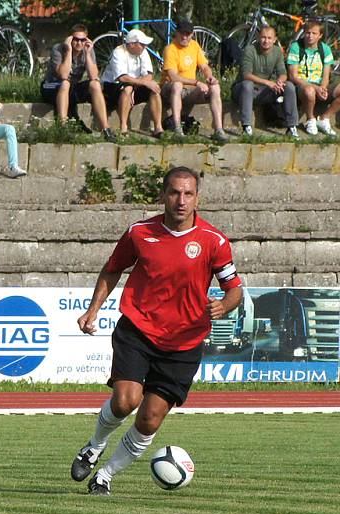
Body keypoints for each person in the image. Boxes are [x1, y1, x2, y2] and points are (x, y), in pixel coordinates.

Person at [71, 166, 243, 496]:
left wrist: (225, 304)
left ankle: (105, 475)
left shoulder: (214, 241)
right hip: (138, 329)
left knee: (149, 419)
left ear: (197, 198)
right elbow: (112, 269)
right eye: (175, 193)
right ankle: (93, 447)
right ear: (163, 195)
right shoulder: (139, 232)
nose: (181, 200)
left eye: (188, 193)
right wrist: (93, 309)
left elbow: (234, 288)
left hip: (184, 342)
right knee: (125, 401)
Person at [40, 24, 116, 142]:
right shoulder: (58, 49)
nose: (79, 43)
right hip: (51, 87)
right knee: (65, 83)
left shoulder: (87, 50)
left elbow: (94, 76)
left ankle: (105, 128)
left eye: (82, 40)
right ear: (70, 38)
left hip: (70, 88)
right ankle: (63, 127)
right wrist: (69, 51)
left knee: (95, 84)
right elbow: (63, 75)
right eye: (76, 39)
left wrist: (88, 53)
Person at [161, 22, 229, 142]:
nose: (184, 37)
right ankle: (177, 129)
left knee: (215, 88)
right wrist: (196, 82)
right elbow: (173, 77)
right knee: (177, 85)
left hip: (190, 90)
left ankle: (219, 129)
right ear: (176, 33)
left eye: (188, 34)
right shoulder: (170, 49)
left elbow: (204, 66)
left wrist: (209, 77)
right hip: (170, 89)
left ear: (192, 34)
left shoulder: (194, 45)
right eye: (182, 34)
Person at [232, 26, 298, 138]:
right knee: (248, 84)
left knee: (289, 86)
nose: (266, 41)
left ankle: (292, 127)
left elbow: (283, 73)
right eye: (263, 37)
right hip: (243, 90)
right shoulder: (250, 50)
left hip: (263, 91)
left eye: (269, 38)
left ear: (274, 39)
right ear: (258, 37)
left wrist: (279, 82)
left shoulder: (277, 51)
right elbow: (246, 75)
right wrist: (268, 83)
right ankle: (246, 126)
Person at [100, 29, 164, 137]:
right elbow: (122, 78)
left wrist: (141, 84)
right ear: (131, 44)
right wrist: (139, 84)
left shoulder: (143, 51)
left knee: (154, 87)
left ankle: (158, 128)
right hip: (111, 86)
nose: (144, 46)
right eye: (142, 44)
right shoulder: (118, 52)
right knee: (128, 88)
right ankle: (123, 127)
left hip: (134, 84)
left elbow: (149, 74)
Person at [287, 20, 340, 136]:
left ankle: (324, 119)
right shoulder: (296, 47)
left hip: (319, 83)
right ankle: (310, 119)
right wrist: (316, 88)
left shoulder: (325, 49)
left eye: (314, 33)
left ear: (320, 35)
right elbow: (293, 76)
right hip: (302, 84)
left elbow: (326, 75)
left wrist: (323, 88)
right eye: (307, 33)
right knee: (310, 91)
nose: (310, 36)